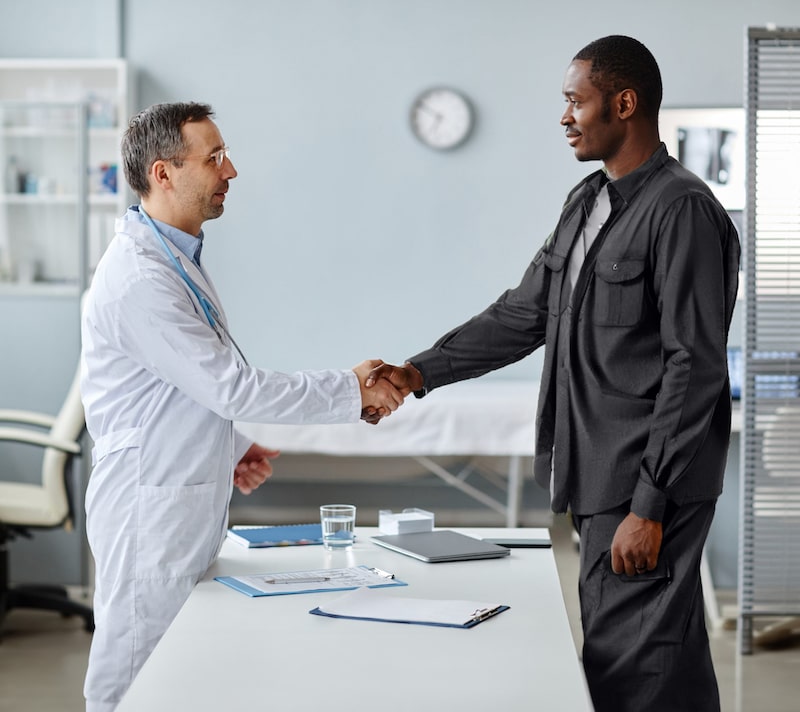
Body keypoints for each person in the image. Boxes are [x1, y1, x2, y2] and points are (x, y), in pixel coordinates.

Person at [365, 35, 740, 712]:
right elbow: (523, 313)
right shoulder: (585, 202)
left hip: (644, 488)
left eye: (576, 101)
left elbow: (697, 365)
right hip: (596, 480)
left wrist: (650, 505)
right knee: (657, 657)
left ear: (624, 104)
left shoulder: (681, 210)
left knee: (632, 665)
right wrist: (417, 371)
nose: (564, 116)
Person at [80, 101, 404, 712]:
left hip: (180, 504)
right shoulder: (141, 278)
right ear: (164, 173)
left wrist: (229, 445)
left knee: (178, 680)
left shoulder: (175, 257)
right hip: (149, 515)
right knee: (129, 681)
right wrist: (350, 387)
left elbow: (176, 388)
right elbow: (233, 386)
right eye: (214, 158)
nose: (231, 171)